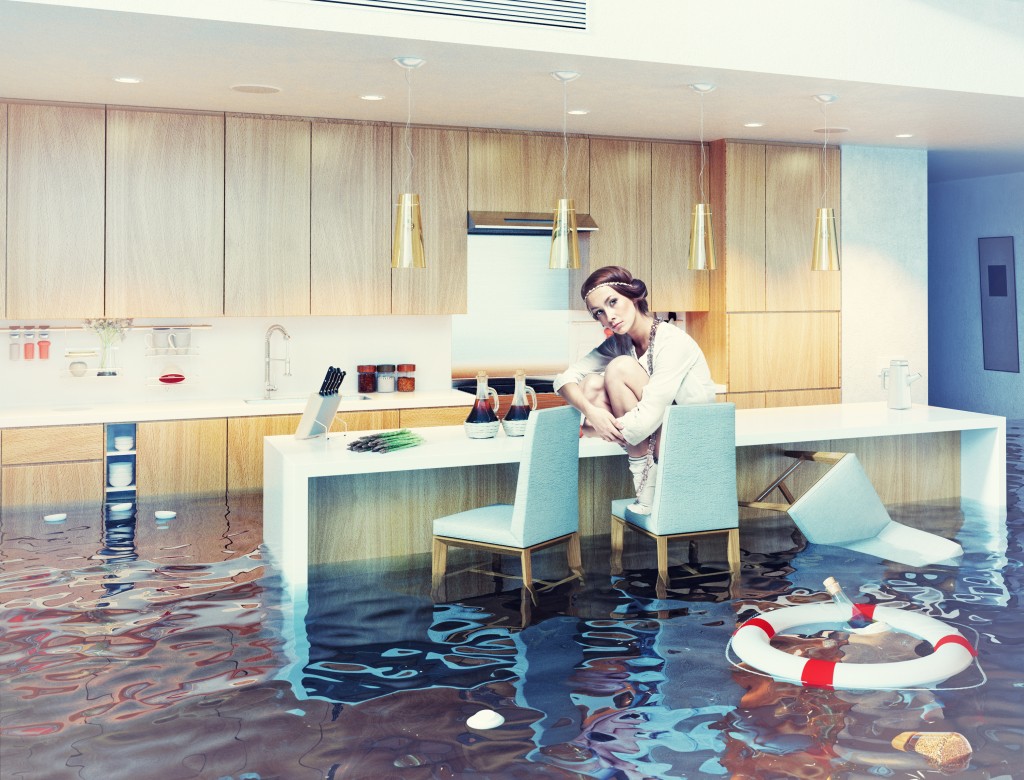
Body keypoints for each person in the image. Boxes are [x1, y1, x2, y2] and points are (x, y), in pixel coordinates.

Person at [554, 265, 717, 514]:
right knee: (591, 385)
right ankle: (646, 489)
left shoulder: (672, 341)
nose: (608, 316)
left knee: (619, 368)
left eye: (613, 302)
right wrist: (592, 412)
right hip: (654, 437)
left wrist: (588, 428)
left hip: (688, 440)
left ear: (632, 295)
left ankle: (647, 493)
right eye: (599, 312)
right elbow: (564, 379)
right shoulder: (619, 342)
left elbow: (645, 421)